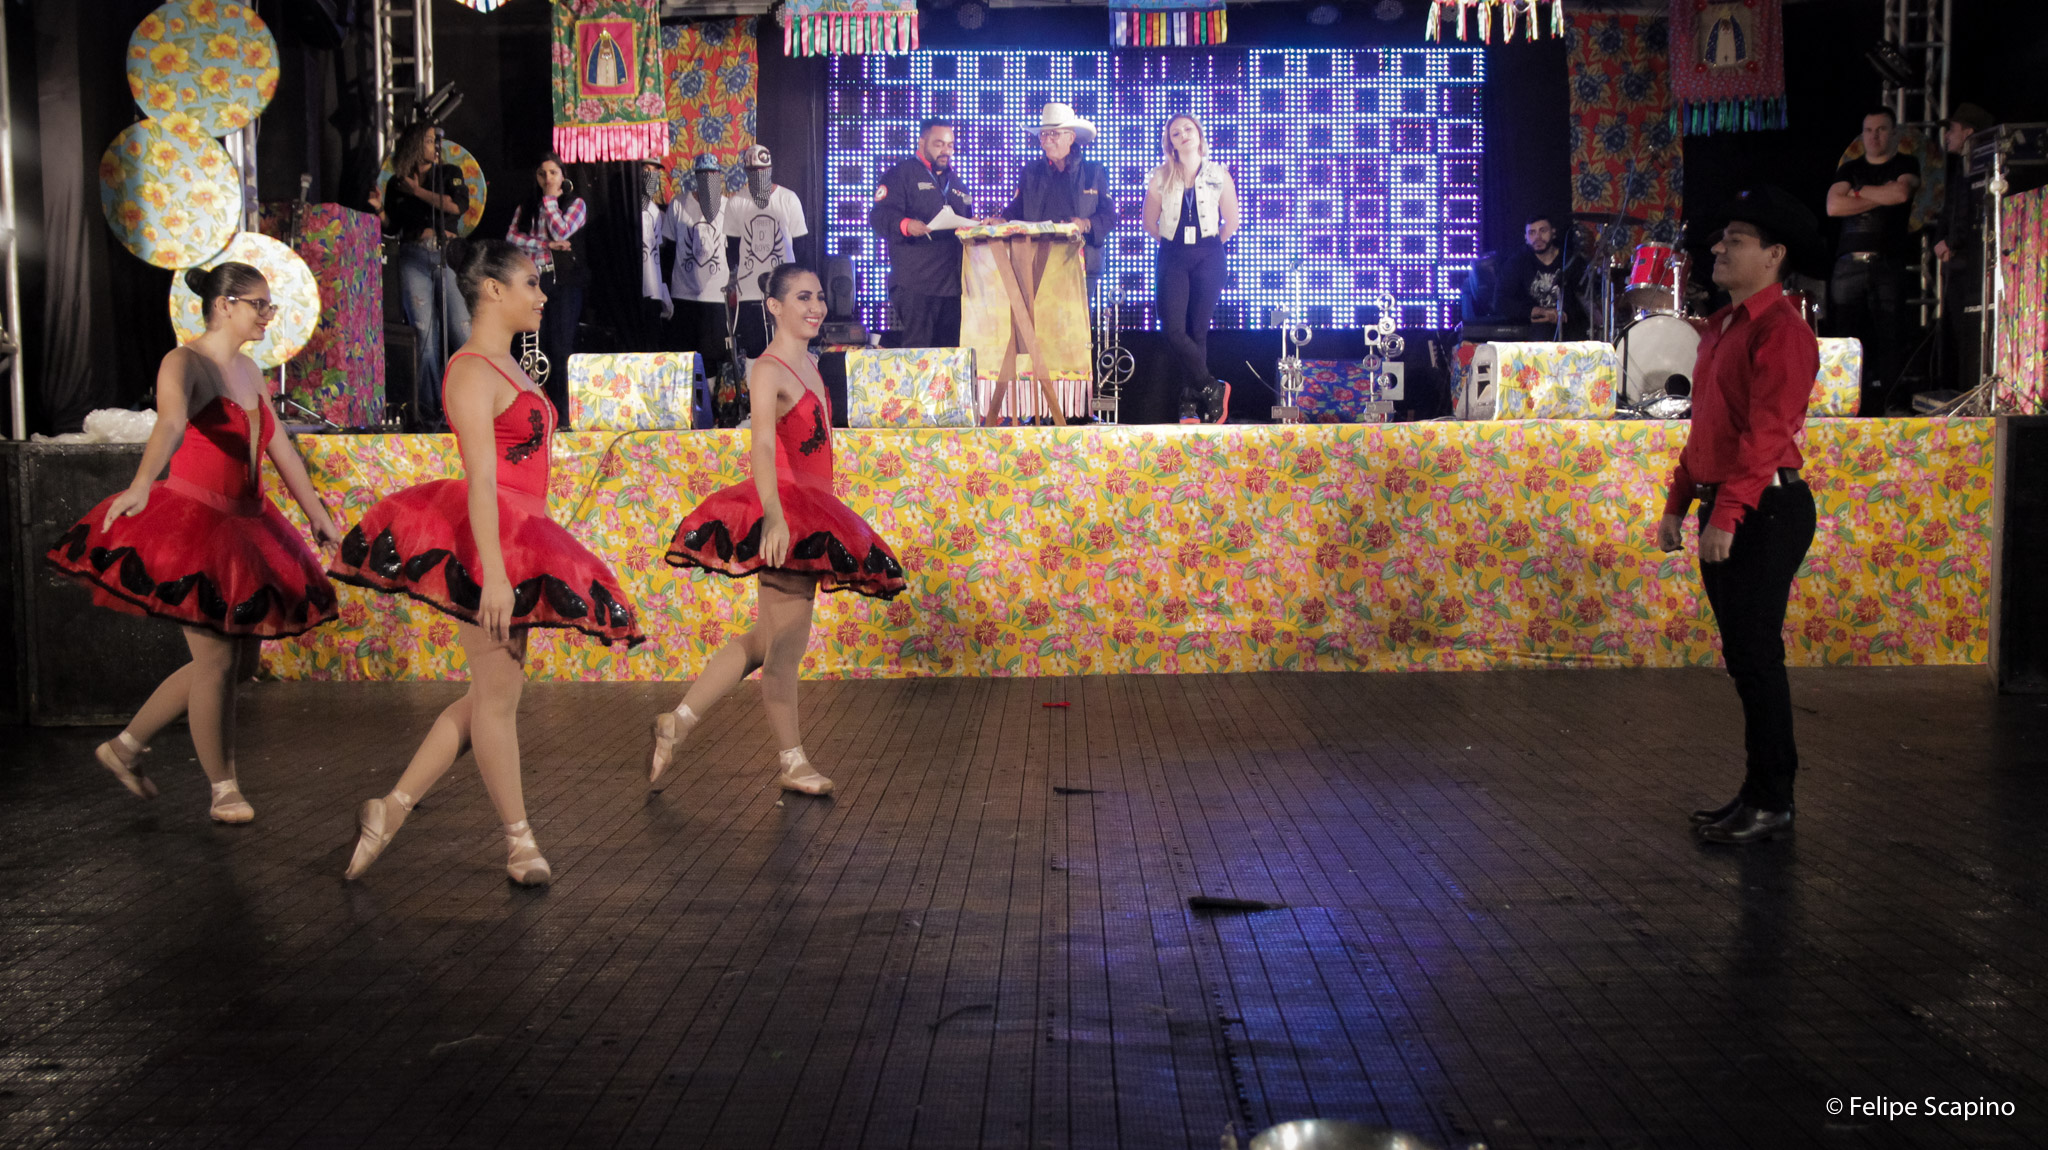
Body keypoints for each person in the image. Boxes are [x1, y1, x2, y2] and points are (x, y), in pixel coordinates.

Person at [330, 241, 645, 885]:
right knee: (497, 702)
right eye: (531, 283)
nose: (543, 296)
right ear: (494, 290)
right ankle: (519, 842)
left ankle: (390, 809)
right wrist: (494, 574)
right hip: (489, 541)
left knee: (488, 699)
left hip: (521, 534)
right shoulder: (471, 369)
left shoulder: (512, 365)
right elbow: (480, 479)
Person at [46, 263, 343, 823]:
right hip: (197, 523)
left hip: (248, 522)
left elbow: (279, 448)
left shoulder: (250, 370)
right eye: (259, 304)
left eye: (270, 305)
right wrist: (141, 484)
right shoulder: (184, 362)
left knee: (241, 663)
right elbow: (170, 424)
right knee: (217, 660)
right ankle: (223, 788)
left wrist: (318, 517)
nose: (268, 315)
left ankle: (125, 747)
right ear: (225, 304)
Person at [653, 263, 906, 799]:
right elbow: (763, 446)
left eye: (819, 297)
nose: (816, 307)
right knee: (785, 646)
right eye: (803, 298)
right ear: (774, 306)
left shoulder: (811, 363)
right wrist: (773, 513)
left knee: (765, 642)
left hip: (813, 507)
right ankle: (791, 761)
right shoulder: (767, 369)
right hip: (789, 513)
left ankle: (679, 721)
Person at [1657, 187, 1823, 845]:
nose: (1719, 249)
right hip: (1730, 502)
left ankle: (1773, 798)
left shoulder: (1782, 330)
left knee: (1756, 657)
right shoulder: (1721, 328)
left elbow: (1766, 434)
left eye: (1736, 241)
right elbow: (1709, 429)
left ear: (1774, 255)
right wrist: (1679, 502)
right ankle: (1758, 793)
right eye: (1721, 239)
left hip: (1767, 507)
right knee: (1744, 658)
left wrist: (1726, 514)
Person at [1142, 114, 1239, 424]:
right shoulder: (1160, 176)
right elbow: (1149, 222)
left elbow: (1232, 221)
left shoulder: (1218, 174)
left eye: (1188, 129)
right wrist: (1174, 244)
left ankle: (1189, 403)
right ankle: (1211, 387)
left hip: (1208, 254)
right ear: (1170, 143)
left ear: (1199, 134)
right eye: (1175, 133)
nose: (1183, 134)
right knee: (1173, 328)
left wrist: (1207, 245)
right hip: (1173, 255)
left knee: (1198, 330)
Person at [1825, 107, 1920, 415]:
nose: (1874, 136)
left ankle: (1893, 404)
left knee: (1891, 335)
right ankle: (1844, 404)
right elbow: (1833, 206)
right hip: (1848, 264)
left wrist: (1859, 192)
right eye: (1868, 130)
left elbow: (1900, 194)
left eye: (1881, 129)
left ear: (1893, 134)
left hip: (1887, 262)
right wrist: (1880, 195)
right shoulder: (1849, 168)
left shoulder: (1905, 164)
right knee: (1846, 338)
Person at [384, 121, 471, 428]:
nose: (435, 146)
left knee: (461, 329)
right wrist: (378, 211)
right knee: (423, 333)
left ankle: (471, 402)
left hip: (446, 254)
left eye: (436, 141)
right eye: (429, 140)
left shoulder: (448, 173)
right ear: (414, 144)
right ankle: (430, 411)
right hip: (412, 255)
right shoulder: (396, 183)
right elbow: (393, 226)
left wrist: (417, 191)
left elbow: (456, 206)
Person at [871, 118, 978, 348]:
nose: (946, 151)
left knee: (951, 354)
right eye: (939, 144)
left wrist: (977, 225)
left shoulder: (957, 184)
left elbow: (966, 224)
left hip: (953, 286)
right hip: (916, 284)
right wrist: (906, 225)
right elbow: (879, 216)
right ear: (921, 143)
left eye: (950, 145)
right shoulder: (901, 175)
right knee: (918, 352)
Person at [505, 153, 589, 422]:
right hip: (533, 283)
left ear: (563, 175)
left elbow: (561, 231)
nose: (548, 178)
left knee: (560, 346)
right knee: (531, 347)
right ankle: (533, 412)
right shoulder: (528, 205)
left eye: (553, 173)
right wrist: (545, 245)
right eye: (542, 173)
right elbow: (512, 237)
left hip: (563, 282)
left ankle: (563, 414)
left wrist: (551, 200)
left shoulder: (575, 203)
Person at [1002, 103, 1116, 286]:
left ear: (1071, 138)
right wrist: (1001, 220)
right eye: (1043, 134)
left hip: (1081, 265)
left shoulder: (1093, 172)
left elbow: (1109, 216)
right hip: (1035, 263)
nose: (1047, 140)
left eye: (1054, 134)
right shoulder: (1031, 172)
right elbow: (1016, 209)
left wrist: (1085, 224)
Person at [1928, 103, 1995, 395]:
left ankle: (1972, 389)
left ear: (1968, 132)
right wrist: (1939, 241)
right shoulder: (1960, 168)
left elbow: (1975, 213)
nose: (1947, 135)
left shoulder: (1983, 165)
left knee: (1971, 329)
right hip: (1956, 264)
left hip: (1972, 265)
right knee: (1954, 328)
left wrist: (1952, 242)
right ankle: (1954, 388)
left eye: (1952, 129)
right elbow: (1949, 211)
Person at [726, 145, 808, 359]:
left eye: (762, 170)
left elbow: (801, 247)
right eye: (753, 171)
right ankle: (754, 381)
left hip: (783, 288)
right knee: (754, 349)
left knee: (786, 346)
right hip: (749, 289)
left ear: (770, 169)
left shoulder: (788, 199)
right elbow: (732, 248)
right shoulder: (736, 202)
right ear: (746, 171)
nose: (759, 175)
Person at [664, 154, 737, 384]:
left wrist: (733, 283)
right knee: (684, 354)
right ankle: (687, 401)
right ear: (695, 176)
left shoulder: (728, 207)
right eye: (703, 174)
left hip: (715, 295)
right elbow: (669, 248)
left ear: (719, 176)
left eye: (712, 174)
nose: (708, 179)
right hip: (683, 293)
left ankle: (710, 403)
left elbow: (735, 250)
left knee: (711, 355)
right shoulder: (679, 203)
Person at [1495, 213, 1587, 339]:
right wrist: (1538, 311)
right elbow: (1500, 301)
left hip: (1569, 327)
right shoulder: (1517, 262)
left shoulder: (1571, 260)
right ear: (1526, 237)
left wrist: (1561, 314)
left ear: (1553, 233)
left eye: (1543, 231)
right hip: (1534, 329)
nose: (1537, 237)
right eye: (1532, 233)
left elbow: (1585, 299)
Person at [639, 159, 673, 346]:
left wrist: (661, 290)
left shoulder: (655, 211)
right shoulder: (628, 205)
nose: (650, 176)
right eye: (646, 170)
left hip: (652, 288)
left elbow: (657, 252)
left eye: (654, 171)